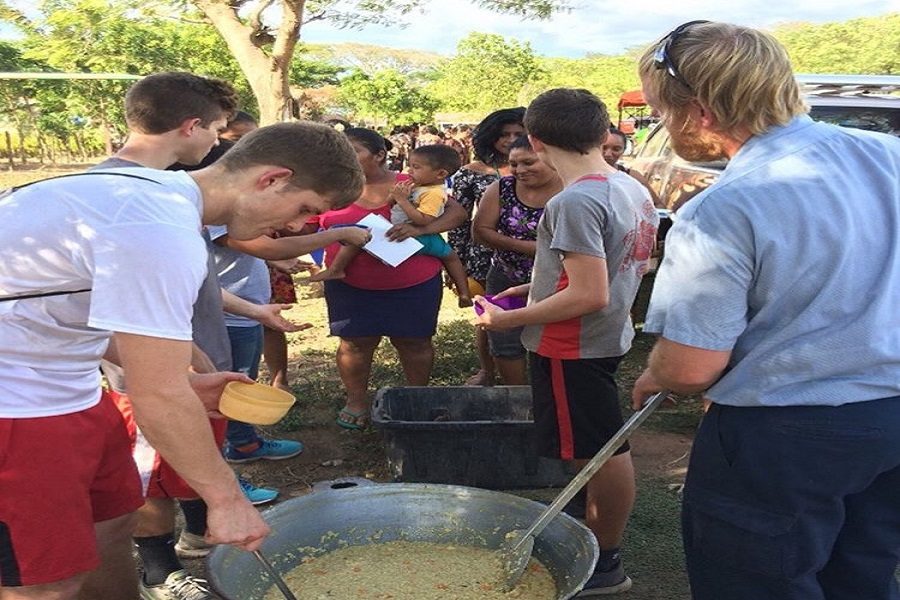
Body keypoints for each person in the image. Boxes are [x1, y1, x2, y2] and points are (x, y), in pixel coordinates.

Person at [0, 113, 364, 600]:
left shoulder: (154, 195)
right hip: (18, 412)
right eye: (303, 208)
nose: (297, 226)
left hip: (74, 392)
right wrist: (226, 499)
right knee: (43, 582)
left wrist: (180, 382)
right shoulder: (157, 227)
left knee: (112, 528)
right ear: (272, 179)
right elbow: (158, 396)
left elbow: (70, 309)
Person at [631, 21, 900, 600]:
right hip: (891, 421)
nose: (660, 124)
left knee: (756, 582)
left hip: (787, 436)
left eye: (660, 111)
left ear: (700, 112)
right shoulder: (890, 154)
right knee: (863, 575)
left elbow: (692, 368)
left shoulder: (723, 208)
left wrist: (658, 372)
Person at [90, 72, 300, 599]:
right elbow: (119, 332)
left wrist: (240, 321)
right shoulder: (132, 204)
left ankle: (197, 538)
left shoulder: (172, 200)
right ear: (192, 126)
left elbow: (193, 290)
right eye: (218, 129)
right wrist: (229, 498)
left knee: (186, 465)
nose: (217, 142)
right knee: (145, 480)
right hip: (139, 383)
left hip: (185, 365)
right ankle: (159, 572)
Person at [475, 88, 658, 596]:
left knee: (599, 451)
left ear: (534, 138)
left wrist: (510, 322)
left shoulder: (573, 199)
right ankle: (585, 515)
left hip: (570, 342)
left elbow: (588, 293)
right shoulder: (627, 187)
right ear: (603, 134)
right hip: (607, 336)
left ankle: (606, 560)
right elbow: (606, 268)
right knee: (593, 443)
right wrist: (530, 288)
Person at [304, 128, 465, 430]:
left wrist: (421, 230)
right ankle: (356, 401)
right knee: (354, 344)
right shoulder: (325, 188)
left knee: (415, 343)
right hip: (349, 282)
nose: (344, 158)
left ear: (379, 155)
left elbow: (457, 214)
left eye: (354, 150)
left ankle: (417, 399)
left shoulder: (412, 183)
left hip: (413, 281)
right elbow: (300, 225)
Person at [312, 143, 471, 307]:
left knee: (356, 237)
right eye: (410, 166)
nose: (409, 171)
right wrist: (394, 196)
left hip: (416, 239)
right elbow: (391, 205)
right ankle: (463, 292)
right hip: (360, 282)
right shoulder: (416, 185)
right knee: (448, 255)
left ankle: (336, 269)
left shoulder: (434, 193)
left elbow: (427, 219)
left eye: (416, 167)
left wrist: (405, 204)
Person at [471, 136, 561, 385]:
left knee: (553, 339)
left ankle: (550, 394)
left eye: (528, 162)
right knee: (505, 340)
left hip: (558, 281)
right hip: (506, 275)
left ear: (550, 158)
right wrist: (531, 248)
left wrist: (541, 253)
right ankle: (518, 396)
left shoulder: (571, 189)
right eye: (514, 164)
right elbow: (481, 231)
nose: (520, 170)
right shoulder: (502, 188)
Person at [449, 107, 526, 386]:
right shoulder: (471, 173)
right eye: (504, 134)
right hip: (485, 255)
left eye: (519, 133)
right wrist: (454, 261)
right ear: (492, 136)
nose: (510, 139)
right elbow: (459, 219)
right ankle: (487, 370)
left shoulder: (546, 168)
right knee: (489, 314)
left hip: (536, 255)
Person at [601, 127, 661, 206]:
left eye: (616, 149)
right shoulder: (582, 174)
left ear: (624, 150)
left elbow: (657, 205)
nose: (608, 154)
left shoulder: (634, 177)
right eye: (604, 148)